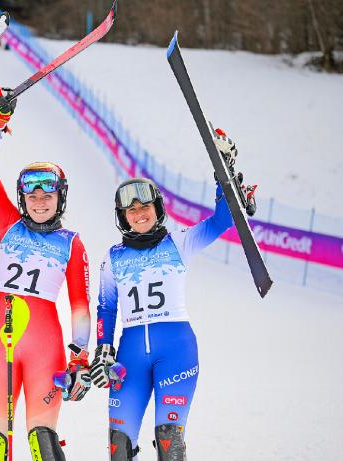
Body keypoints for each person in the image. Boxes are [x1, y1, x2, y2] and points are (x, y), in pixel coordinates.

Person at [89, 131, 242, 461]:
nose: (139, 213)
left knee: (169, 442)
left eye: (145, 206)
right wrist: (103, 349)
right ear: (122, 217)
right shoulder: (113, 257)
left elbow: (223, 221)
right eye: (131, 210)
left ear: (157, 209)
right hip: (129, 357)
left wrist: (223, 171)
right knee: (119, 446)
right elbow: (106, 306)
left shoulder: (180, 242)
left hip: (175, 350)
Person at [0, 88, 92, 461]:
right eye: (32, 196)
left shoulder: (71, 243)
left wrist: (79, 357)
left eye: (48, 195)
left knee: (42, 438)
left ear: (61, 199)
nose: (40, 202)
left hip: (46, 347)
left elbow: (80, 305)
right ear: (22, 199)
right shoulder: (10, 225)